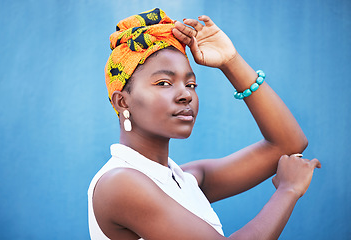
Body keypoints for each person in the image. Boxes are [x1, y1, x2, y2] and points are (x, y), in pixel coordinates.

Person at [88, 8, 321, 240]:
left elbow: (288, 144)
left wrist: (230, 61)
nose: (186, 95)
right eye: (163, 83)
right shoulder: (119, 183)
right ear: (122, 101)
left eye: (191, 85)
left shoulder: (182, 179)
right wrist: (287, 191)